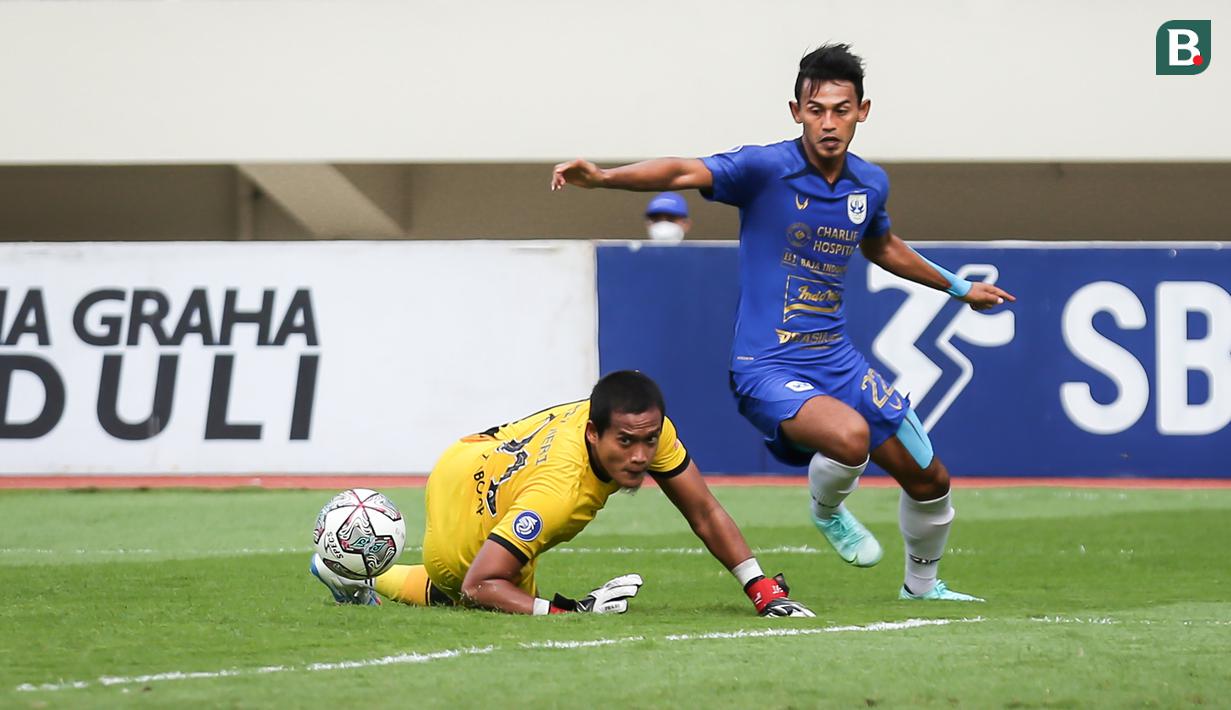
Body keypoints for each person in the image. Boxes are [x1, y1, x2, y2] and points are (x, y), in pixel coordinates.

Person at [550, 44, 1015, 602]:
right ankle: (829, 510)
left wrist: (959, 288)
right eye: (816, 109)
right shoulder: (763, 168)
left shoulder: (869, 184)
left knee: (930, 479)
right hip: (766, 365)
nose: (829, 122)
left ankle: (923, 587)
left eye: (841, 110)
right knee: (850, 438)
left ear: (862, 111)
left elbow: (883, 245)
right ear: (796, 111)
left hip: (838, 362)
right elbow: (682, 169)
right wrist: (602, 178)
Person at [311, 370, 813, 617]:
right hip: (463, 501)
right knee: (484, 594)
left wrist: (761, 588)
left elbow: (703, 510)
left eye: (649, 440)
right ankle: (357, 577)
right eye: (626, 443)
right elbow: (480, 584)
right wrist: (569, 612)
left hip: (481, 454)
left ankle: (338, 569)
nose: (640, 456)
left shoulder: (641, 428)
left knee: (508, 588)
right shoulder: (558, 494)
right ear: (594, 434)